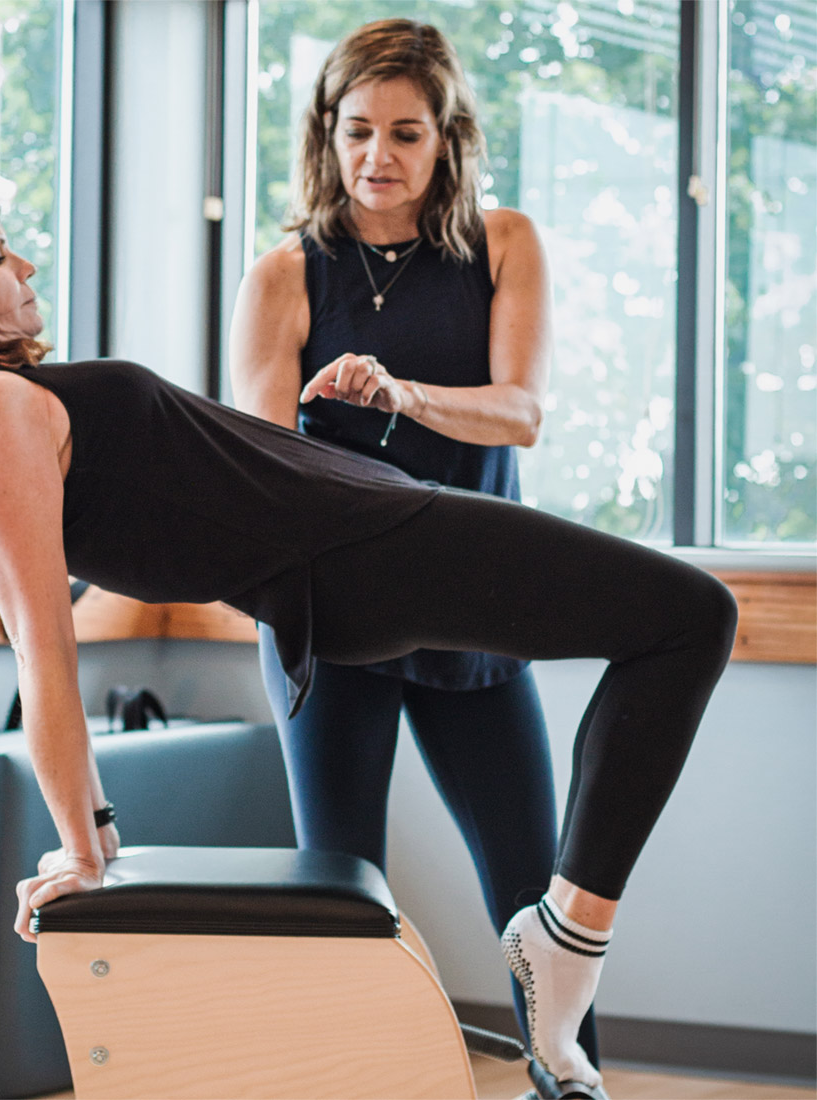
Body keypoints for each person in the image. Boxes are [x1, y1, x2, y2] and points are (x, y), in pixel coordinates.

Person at [0, 183, 736, 1096]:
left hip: (366, 521)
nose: (24, 263)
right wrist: (82, 843)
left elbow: (142, 521)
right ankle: (566, 937)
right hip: (363, 546)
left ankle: (557, 953)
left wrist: (92, 835)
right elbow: (41, 643)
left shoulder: (5, 402)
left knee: (682, 619)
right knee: (691, 616)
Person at [228, 15, 596, 1069]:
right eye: (355, 132)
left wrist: (399, 394)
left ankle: (574, 1081)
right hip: (328, 616)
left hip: (475, 604)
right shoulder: (283, 275)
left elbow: (518, 411)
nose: (375, 158)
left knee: (539, 896)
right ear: (324, 135)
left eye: (404, 133)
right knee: (339, 888)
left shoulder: (503, 243)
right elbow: (259, 464)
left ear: (446, 140)